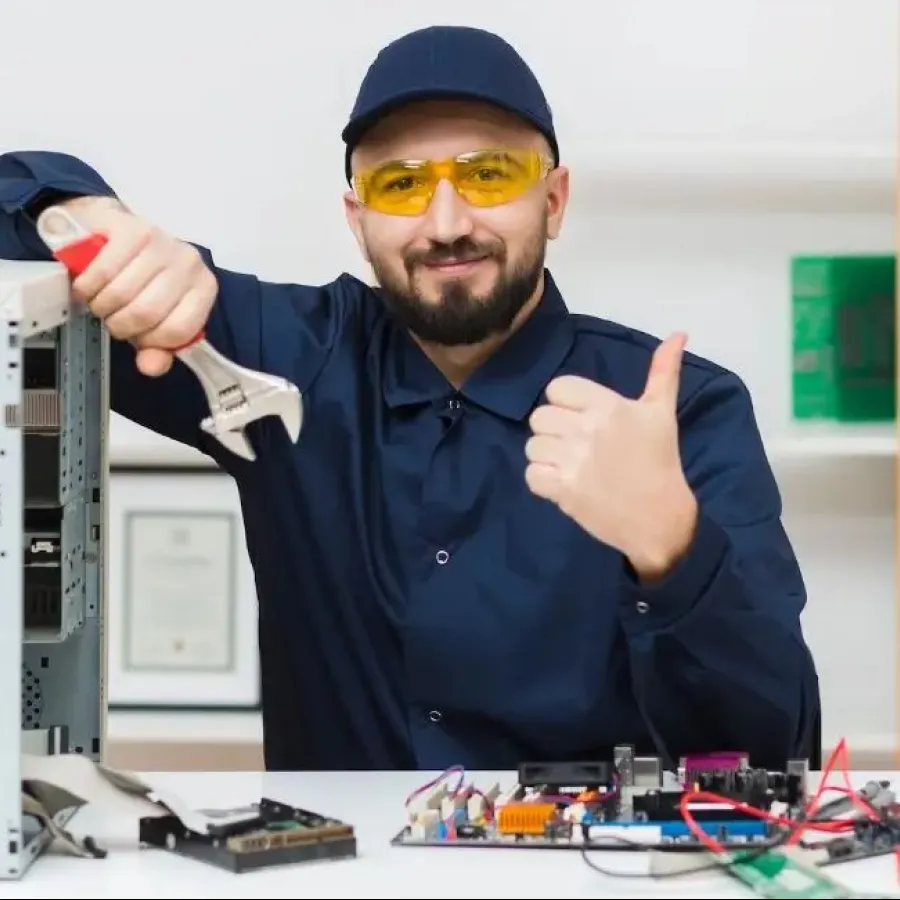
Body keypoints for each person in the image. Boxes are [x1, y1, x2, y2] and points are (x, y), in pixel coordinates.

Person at [0, 25, 819, 772]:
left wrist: (670, 548)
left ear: (555, 199)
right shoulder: (280, 356)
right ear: (357, 220)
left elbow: (777, 748)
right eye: (400, 185)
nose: (446, 221)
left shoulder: (675, 412)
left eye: (488, 174)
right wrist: (78, 211)